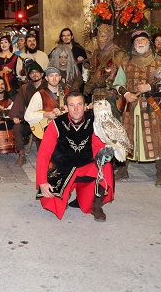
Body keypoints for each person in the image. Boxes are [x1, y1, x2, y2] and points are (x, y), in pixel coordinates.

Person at [36, 90, 114, 221]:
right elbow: (43, 155)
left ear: (85, 106)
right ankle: (65, 195)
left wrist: (102, 155)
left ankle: (96, 206)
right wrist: (42, 182)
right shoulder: (56, 125)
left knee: (104, 164)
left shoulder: (94, 122)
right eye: (72, 105)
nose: (76, 109)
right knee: (49, 200)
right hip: (64, 168)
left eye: (79, 104)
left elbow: (97, 146)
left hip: (87, 167)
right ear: (66, 107)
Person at [113, 30, 161, 186]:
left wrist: (150, 87)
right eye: (137, 40)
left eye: (143, 40)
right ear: (133, 45)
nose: (140, 42)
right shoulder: (126, 63)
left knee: (158, 139)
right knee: (126, 138)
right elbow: (117, 84)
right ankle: (122, 169)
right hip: (131, 107)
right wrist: (125, 93)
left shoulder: (160, 62)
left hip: (153, 107)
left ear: (149, 43)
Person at [10, 62, 46, 166]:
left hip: (44, 119)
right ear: (29, 76)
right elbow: (19, 103)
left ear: (42, 74)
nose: (34, 74)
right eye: (32, 73)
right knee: (17, 127)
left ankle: (45, 158)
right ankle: (22, 155)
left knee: (44, 134)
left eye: (37, 72)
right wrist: (16, 116)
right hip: (29, 119)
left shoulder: (47, 87)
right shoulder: (25, 88)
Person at [83, 24, 126, 105]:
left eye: (103, 36)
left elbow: (119, 77)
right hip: (96, 94)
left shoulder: (117, 53)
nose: (100, 39)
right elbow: (93, 71)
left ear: (110, 37)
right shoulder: (96, 52)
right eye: (98, 36)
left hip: (111, 96)